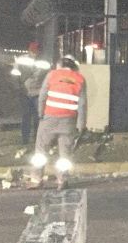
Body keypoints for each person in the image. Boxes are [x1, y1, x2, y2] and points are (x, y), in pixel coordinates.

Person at [28, 55, 87, 190]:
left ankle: (36, 179)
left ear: (59, 65)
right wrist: (81, 124)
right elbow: (82, 104)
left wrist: (41, 113)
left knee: (41, 150)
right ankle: (62, 180)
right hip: (69, 121)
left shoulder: (52, 75)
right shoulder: (80, 79)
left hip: (49, 118)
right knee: (65, 153)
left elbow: (43, 95)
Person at [11, 42, 51, 146]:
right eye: (33, 51)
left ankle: (36, 139)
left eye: (36, 51)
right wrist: (18, 88)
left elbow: (48, 77)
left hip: (38, 92)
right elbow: (15, 74)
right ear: (29, 51)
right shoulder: (22, 60)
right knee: (26, 116)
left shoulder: (44, 62)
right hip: (25, 92)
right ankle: (25, 140)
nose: (35, 54)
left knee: (38, 117)